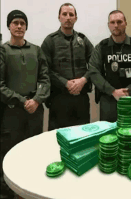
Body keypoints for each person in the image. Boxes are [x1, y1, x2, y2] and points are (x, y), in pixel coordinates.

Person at [0, 10, 50, 199]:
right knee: (9, 153)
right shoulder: (3, 51)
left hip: (35, 110)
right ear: (9, 26)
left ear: (26, 26)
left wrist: (37, 100)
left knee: (33, 152)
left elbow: (45, 79)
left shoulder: (37, 50)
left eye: (22, 23)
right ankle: (9, 191)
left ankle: (32, 190)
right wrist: (22, 101)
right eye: (15, 23)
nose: (19, 26)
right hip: (12, 111)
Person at [88, 10, 131, 122]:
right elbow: (93, 71)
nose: (116, 25)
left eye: (119, 22)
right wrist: (112, 91)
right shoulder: (102, 47)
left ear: (125, 23)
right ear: (108, 25)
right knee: (109, 134)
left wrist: (130, 90)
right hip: (108, 100)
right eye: (112, 22)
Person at [41, 3, 94, 130]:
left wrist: (83, 80)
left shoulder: (83, 40)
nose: (68, 17)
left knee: (82, 135)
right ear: (59, 17)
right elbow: (44, 70)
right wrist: (66, 83)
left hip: (80, 98)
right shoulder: (50, 41)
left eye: (71, 14)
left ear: (76, 18)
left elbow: (95, 64)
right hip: (59, 98)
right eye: (64, 14)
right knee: (57, 137)